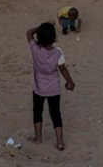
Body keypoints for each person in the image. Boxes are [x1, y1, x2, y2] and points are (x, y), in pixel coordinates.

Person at [26, 22, 75, 151]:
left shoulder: (35, 50)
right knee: (55, 114)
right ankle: (60, 142)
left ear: (39, 38)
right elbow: (63, 69)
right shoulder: (58, 53)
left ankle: (38, 138)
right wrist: (70, 82)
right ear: (54, 38)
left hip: (39, 89)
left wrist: (40, 26)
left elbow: (29, 32)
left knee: (37, 112)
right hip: (54, 89)